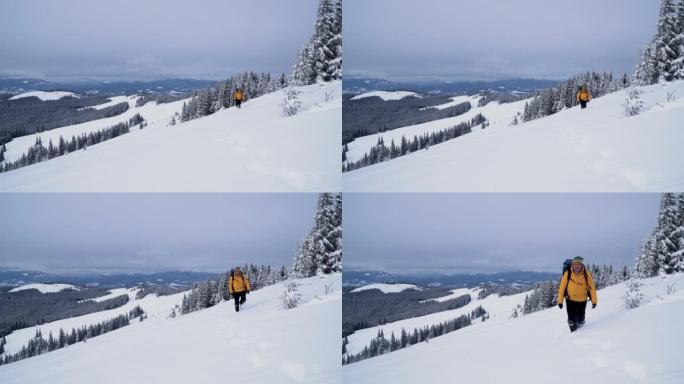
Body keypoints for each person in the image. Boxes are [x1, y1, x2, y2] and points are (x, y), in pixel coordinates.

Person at [557, 256, 597, 332]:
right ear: (572, 265)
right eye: (575, 264)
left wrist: (594, 301)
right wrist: (560, 301)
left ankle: (581, 332)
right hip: (570, 300)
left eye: (578, 264)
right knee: (571, 320)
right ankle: (574, 335)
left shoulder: (586, 274)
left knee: (581, 320)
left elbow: (592, 288)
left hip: (582, 301)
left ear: (582, 265)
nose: (576, 266)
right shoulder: (567, 274)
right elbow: (562, 288)